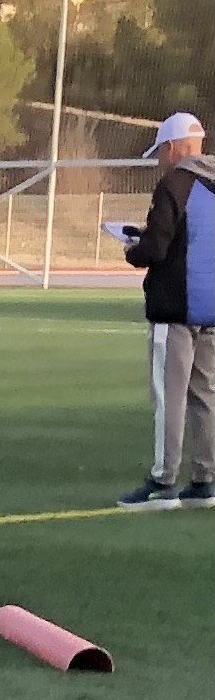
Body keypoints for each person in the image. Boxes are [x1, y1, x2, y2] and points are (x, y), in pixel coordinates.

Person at [118, 111, 215, 508]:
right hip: (211, 310)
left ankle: (163, 481)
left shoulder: (174, 185)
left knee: (168, 396)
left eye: (161, 151)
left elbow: (155, 248)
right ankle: (204, 480)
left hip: (174, 308)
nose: (160, 159)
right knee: (205, 395)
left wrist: (132, 249)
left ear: (174, 147)